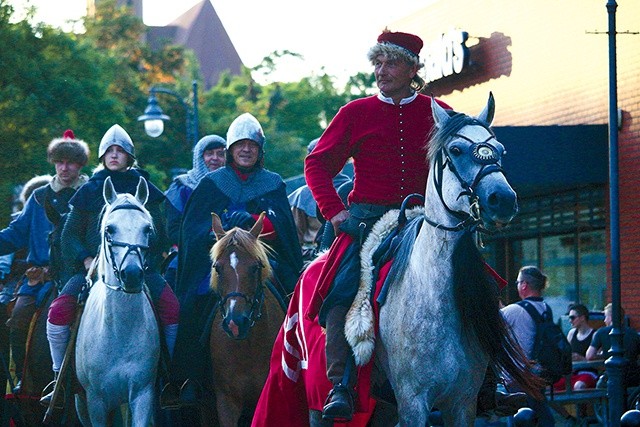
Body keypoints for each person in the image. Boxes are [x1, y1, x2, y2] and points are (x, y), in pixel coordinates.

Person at [304, 29, 523, 421]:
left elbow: (464, 158)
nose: (381, 71)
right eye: (377, 63)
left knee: (486, 284)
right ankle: (342, 385)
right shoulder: (354, 113)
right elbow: (316, 164)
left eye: (390, 62)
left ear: (412, 68)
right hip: (370, 221)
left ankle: (491, 382)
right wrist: (334, 211)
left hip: (428, 218)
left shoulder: (439, 112)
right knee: (339, 292)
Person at [166, 112, 303, 407]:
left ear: (260, 150)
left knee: (293, 296)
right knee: (194, 300)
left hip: (262, 259)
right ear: (230, 149)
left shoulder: (273, 183)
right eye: (240, 145)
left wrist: (254, 221)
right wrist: (226, 227)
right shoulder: (212, 183)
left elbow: (283, 228)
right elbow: (193, 229)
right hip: (219, 260)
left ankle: (302, 370)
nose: (246, 150)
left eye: (252, 145)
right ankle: (189, 376)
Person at [41, 124, 180, 404]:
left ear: (130, 156)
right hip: (92, 270)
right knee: (57, 312)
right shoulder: (91, 190)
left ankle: (169, 376)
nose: (115, 155)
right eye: (110, 151)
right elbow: (69, 235)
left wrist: (146, 259)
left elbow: (161, 234)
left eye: (121, 151)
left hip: (140, 269)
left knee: (172, 309)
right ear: (103, 156)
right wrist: (86, 257)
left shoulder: (145, 190)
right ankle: (60, 379)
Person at [0, 130, 89, 395]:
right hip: (41, 280)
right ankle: (23, 380)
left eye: (71, 162)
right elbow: (16, 233)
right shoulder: (39, 196)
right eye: (59, 161)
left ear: (80, 164)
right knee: (17, 318)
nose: (64, 167)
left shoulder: (90, 193)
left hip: (79, 275)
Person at [163, 134, 226, 287]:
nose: (215, 158)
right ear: (199, 156)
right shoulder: (182, 188)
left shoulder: (234, 187)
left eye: (220, 154)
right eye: (209, 153)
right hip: (189, 253)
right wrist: (201, 238)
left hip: (227, 251)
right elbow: (173, 230)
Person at [501, 266, 556, 426]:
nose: (517, 285)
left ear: (524, 285)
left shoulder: (515, 311)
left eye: (518, 282)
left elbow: (490, 328)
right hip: (537, 373)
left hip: (516, 377)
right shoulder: (546, 308)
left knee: (519, 419)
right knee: (540, 416)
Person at [288, 138, 350, 259]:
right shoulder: (303, 196)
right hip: (311, 259)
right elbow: (293, 242)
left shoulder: (352, 189)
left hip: (344, 254)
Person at [586, 303, 640, 388]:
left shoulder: (601, 333)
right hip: (634, 379)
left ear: (611, 317)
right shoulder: (634, 334)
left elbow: (589, 356)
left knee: (599, 388)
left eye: (605, 317)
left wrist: (604, 355)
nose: (604, 320)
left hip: (612, 377)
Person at [552, 303, 597, 391]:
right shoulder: (571, 334)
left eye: (572, 317)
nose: (570, 321)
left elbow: (600, 360)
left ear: (582, 318)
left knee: (579, 386)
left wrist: (582, 359)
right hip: (573, 373)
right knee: (550, 386)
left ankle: (582, 405)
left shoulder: (595, 335)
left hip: (589, 373)